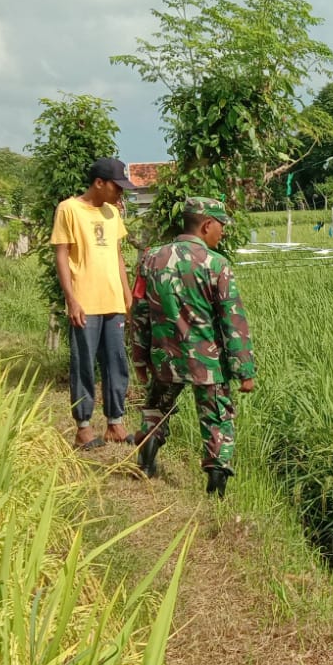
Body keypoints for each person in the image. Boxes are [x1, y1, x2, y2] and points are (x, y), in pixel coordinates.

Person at [130, 197, 256, 497]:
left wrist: (139, 359)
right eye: (221, 226)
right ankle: (216, 489)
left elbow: (140, 311)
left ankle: (145, 464)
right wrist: (244, 371)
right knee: (216, 420)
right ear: (206, 224)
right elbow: (232, 320)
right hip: (207, 362)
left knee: (156, 410)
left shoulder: (151, 258)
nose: (222, 232)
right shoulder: (216, 264)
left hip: (164, 357)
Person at [51, 156, 135, 448]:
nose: (120, 193)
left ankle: (115, 422)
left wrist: (127, 295)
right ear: (99, 183)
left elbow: (118, 255)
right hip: (84, 301)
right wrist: (71, 299)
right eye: (117, 186)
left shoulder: (113, 213)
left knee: (116, 362)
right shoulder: (69, 209)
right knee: (84, 363)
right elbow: (61, 254)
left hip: (112, 300)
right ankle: (84, 427)